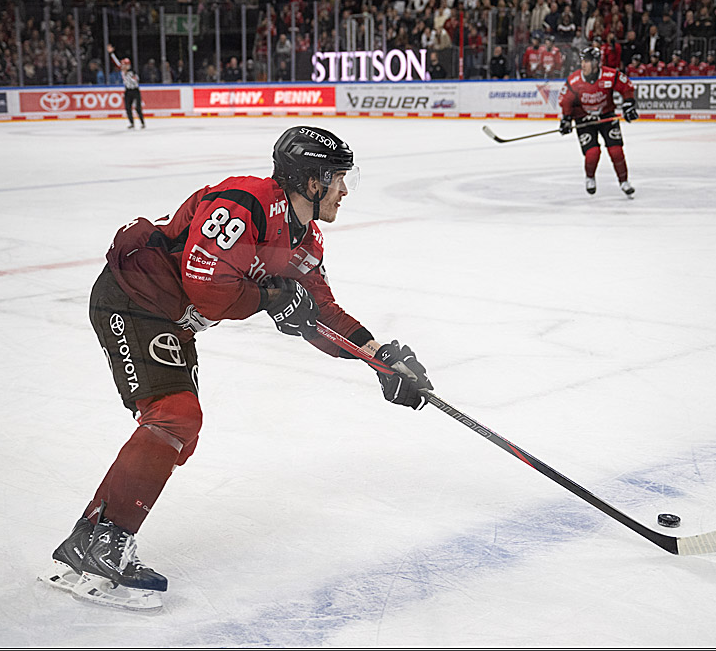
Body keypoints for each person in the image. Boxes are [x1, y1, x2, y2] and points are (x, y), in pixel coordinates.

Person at [40, 126, 432, 610]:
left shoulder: (305, 239)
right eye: (337, 179)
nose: (344, 191)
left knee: (179, 432)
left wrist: (381, 359)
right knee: (175, 417)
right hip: (131, 297)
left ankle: (95, 534)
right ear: (311, 181)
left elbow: (321, 314)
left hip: (168, 316)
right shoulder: (241, 206)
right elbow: (206, 289)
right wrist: (272, 298)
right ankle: (100, 541)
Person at [557, 47, 638, 198]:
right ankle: (590, 177)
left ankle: (624, 181)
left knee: (616, 151)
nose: (583, 65)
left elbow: (627, 87)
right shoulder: (575, 81)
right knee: (592, 153)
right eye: (582, 61)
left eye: (587, 61)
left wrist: (628, 105)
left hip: (607, 117)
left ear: (596, 63)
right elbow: (565, 100)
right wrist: (566, 119)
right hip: (584, 120)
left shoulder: (609, 75)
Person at [108, 44, 144, 129]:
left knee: (138, 108)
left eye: (124, 65)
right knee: (128, 108)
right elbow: (116, 62)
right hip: (127, 91)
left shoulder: (132, 72)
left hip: (135, 91)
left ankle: (142, 122)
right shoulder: (122, 69)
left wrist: (128, 75)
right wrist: (111, 53)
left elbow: (136, 81)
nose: (122, 66)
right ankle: (132, 123)